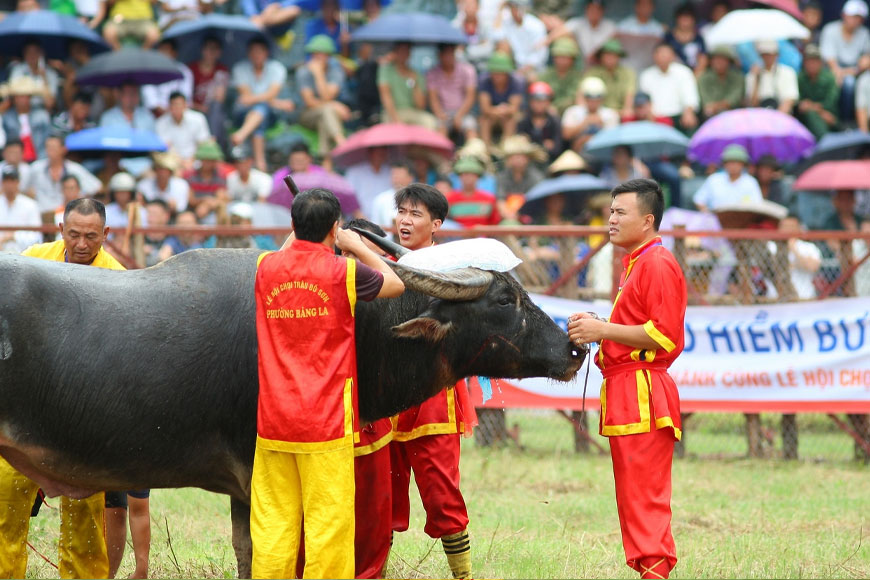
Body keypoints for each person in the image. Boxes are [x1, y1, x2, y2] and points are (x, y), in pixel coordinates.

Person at [250, 187, 404, 578]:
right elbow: (395, 283)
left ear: (292, 225)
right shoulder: (344, 272)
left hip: (273, 421)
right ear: (334, 228)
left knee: (273, 525)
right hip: (325, 424)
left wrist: (311, 236)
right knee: (328, 526)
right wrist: (355, 244)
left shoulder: (266, 267)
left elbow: (290, 250)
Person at [567, 178, 686, 580]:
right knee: (632, 499)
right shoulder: (636, 261)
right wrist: (602, 324)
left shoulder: (657, 262)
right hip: (625, 389)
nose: (611, 219)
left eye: (620, 212)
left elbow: (664, 335)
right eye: (611, 211)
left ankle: (654, 573)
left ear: (648, 220)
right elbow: (637, 326)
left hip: (643, 392)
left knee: (644, 499)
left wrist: (604, 332)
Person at [0, 198, 123, 580]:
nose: (82, 244)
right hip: (26, 411)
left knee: (85, 519)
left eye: (91, 236)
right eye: (73, 235)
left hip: (83, 417)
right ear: (60, 230)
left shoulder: (119, 282)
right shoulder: (31, 264)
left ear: (106, 234)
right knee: (4, 507)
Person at [389, 183, 473, 580]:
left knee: (443, 495)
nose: (405, 220)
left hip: (434, 397)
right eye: (402, 212)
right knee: (377, 497)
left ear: (436, 224)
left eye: (415, 214)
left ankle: (464, 576)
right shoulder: (380, 261)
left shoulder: (457, 271)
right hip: (384, 395)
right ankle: (374, 572)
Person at [231, 37, 294, 171]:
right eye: (253, 51)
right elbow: (246, 99)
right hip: (243, 113)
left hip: (269, 114)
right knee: (260, 110)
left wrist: (267, 100)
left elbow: (261, 96)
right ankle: (261, 163)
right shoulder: (240, 68)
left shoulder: (276, 68)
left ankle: (241, 135)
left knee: (260, 109)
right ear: (248, 53)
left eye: (259, 51)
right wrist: (277, 103)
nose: (256, 55)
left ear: (267, 53)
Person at [24, 134, 102, 223]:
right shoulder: (35, 168)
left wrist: (80, 197)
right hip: (41, 219)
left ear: (63, 149)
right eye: (48, 147)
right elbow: (23, 189)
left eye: (54, 147)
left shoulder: (74, 169)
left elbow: (97, 187)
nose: (50, 151)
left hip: (67, 217)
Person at [297, 35, 350, 157]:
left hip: (327, 115)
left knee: (325, 115)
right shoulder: (303, 72)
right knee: (328, 109)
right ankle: (341, 142)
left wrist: (319, 74)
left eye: (321, 54)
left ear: (329, 56)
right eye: (314, 54)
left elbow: (327, 97)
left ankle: (325, 158)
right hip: (307, 115)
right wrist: (334, 104)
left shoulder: (336, 71)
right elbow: (309, 102)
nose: (317, 57)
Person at [819, 0, 870, 122]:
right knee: (845, 82)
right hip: (831, 69)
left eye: (859, 17)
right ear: (844, 15)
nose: (855, 20)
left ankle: (849, 122)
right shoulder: (830, 29)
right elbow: (830, 60)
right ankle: (841, 121)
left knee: (852, 82)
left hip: (854, 71)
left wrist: (857, 68)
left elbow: (865, 61)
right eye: (853, 16)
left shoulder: (864, 33)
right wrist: (839, 73)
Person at [638, 43, 699, 134]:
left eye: (666, 54)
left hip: (678, 117)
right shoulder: (646, 75)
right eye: (660, 54)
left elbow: (690, 98)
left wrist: (688, 113)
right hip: (655, 118)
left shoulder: (684, 72)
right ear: (654, 56)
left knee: (691, 122)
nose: (663, 57)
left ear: (673, 56)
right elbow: (644, 100)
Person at [377, 42, 436, 129]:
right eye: (400, 51)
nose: (403, 54)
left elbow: (421, 106)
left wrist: (414, 84)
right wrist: (396, 120)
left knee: (430, 122)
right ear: (395, 52)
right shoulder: (385, 70)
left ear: (409, 53)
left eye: (406, 51)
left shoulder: (416, 74)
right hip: (392, 112)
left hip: (413, 112)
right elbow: (386, 97)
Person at [427, 43, 478, 142]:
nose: (448, 57)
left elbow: (470, 97)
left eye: (450, 54)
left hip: (464, 112)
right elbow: (433, 99)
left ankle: (474, 156)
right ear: (439, 56)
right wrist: (441, 115)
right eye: (445, 54)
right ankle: (442, 156)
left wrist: (459, 115)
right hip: (443, 114)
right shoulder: (432, 73)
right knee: (440, 131)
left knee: (471, 130)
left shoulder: (468, 70)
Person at [693, 144, 763, 212]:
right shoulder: (714, 179)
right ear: (724, 164)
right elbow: (699, 199)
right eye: (730, 162)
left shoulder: (750, 182)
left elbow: (757, 205)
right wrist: (707, 213)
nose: (733, 166)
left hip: (742, 220)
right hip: (715, 219)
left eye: (737, 163)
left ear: (743, 164)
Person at [489, 0, 548, 77]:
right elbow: (495, 36)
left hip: (533, 69)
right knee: (502, 44)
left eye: (518, 7)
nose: (515, 10)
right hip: (513, 66)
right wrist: (500, 10)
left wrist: (523, 70)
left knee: (531, 77)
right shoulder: (507, 22)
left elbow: (539, 55)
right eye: (513, 7)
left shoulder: (536, 25)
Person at [155, 91, 212, 169]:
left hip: (197, 161)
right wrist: (180, 162)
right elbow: (165, 148)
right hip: (172, 163)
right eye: (174, 106)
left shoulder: (198, 118)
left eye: (179, 105)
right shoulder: (161, 123)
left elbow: (203, 144)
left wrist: (191, 160)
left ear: (185, 105)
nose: (177, 109)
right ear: (169, 107)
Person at [478, 52, 524, 148]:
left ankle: (506, 149)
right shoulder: (484, 81)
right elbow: (485, 109)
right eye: (494, 72)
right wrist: (499, 110)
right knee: (484, 120)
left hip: (508, 115)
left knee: (511, 119)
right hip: (491, 115)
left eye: (500, 73)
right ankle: (486, 150)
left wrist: (502, 111)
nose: (497, 76)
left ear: (507, 73)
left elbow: (514, 108)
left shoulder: (516, 82)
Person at [562, 76, 619, 152]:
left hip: (603, 154)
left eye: (597, 97)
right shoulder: (573, 112)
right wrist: (584, 124)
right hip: (577, 154)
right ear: (584, 97)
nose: (593, 102)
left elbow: (614, 139)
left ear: (602, 98)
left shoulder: (610, 114)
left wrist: (602, 126)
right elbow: (565, 135)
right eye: (589, 97)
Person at [584, 39, 637, 119]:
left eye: (614, 55)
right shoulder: (592, 73)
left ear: (619, 57)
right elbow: (581, 97)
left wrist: (612, 114)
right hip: (595, 114)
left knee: (629, 117)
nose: (610, 58)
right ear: (601, 56)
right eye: (607, 54)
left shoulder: (627, 74)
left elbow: (628, 106)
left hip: (619, 115)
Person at [797, 43, 840, 140]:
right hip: (808, 118)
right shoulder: (800, 78)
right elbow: (799, 104)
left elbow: (830, 103)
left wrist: (811, 107)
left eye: (815, 61)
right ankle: (825, 142)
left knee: (814, 114)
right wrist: (818, 111)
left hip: (830, 118)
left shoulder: (829, 78)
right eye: (809, 61)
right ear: (804, 63)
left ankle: (824, 142)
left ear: (820, 62)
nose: (812, 64)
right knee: (810, 114)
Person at [446, 156, 502, 227]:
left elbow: (495, 223)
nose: (468, 178)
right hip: (456, 237)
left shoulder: (489, 199)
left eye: (472, 175)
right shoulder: (450, 198)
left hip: (482, 237)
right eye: (465, 174)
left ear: (477, 177)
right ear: (460, 177)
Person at [746, 40, 799, 114]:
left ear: (777, 55)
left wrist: (777, 118)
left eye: (770, 54)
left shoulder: (788, 72)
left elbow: (789, 100)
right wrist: (756, 79)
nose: (767, 57)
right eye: (765, 54)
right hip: (760, 115)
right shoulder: (753, 74)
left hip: (782, 115)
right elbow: (753, 104)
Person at [0, 165, 41, 252]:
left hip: (23, 255)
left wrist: (13, 236)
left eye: (12, 181)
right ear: (2, 183)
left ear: (18, 183)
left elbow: (37, 237)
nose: (9, 185)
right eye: (6, 181)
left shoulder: (30, 205)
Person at [517, 82, 562, 161]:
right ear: (530, 101)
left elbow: (557, 148)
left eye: (543, 101)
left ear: (549, 102)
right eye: (536, 100)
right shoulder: (523, 120)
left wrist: (530, 144)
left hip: (551, 162)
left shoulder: (554, 121)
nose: (539, 104)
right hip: (527, 163)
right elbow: (518, 146)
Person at [539, 37, 583, 115]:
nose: (562, 60)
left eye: (565, 57)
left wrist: (556, 108)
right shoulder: (546, 75)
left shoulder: (577, 77)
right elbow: (539, 93)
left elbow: (573, 98)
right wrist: (547, 106)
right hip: (546, 113)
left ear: (572, 59)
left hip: (569, 114)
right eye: (559, 56)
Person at [698, 45, 744, 119]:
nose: (719, 62)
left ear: (729, 61)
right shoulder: (704, 78)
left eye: (723, 59)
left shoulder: (737, 77)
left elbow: (735, 98)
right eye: (716, 59)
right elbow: (706, 103)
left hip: (734, 115)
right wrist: (721, 105)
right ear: (711, 61)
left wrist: (718, 106)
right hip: (711, 117)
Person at [663, 3, 707, 75]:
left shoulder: (699, 39)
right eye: (682, 18)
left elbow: (703, 60)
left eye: (688, 18)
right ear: (677, 19)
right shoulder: (668, 38)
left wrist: (693, 77)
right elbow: (662, 56)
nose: (685, 21)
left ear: (693, 20)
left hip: (694, 75)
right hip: (671, 74)